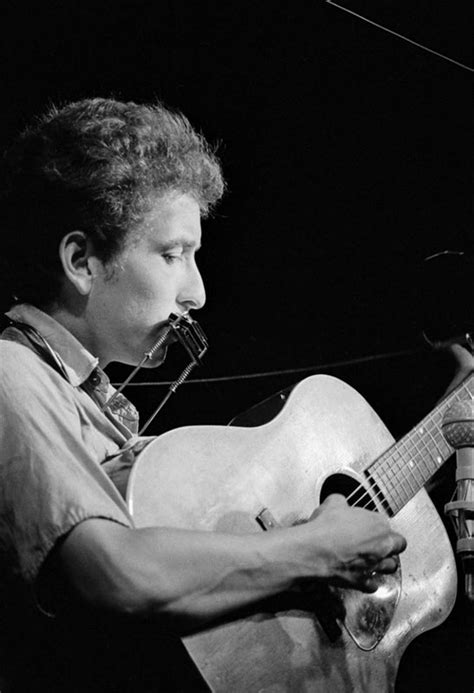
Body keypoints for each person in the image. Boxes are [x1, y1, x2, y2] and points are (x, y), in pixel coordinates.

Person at [0, 97, 409, 692]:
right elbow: (115, 576)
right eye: (172, 255)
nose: (198, 292)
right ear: (82, 260)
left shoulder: (85, 400)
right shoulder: (13, 373)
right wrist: (316, 549)